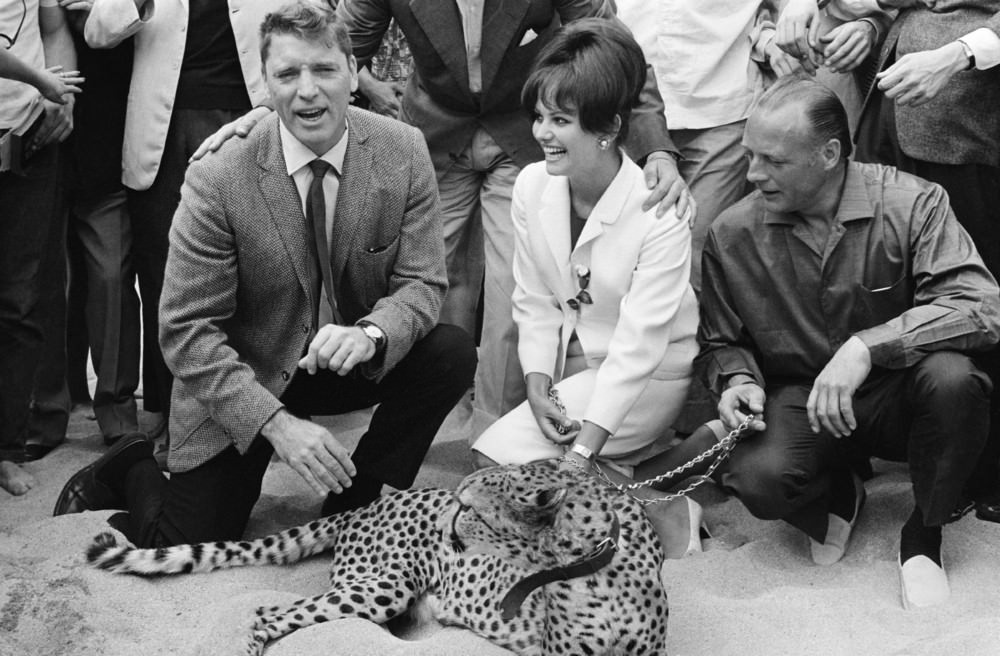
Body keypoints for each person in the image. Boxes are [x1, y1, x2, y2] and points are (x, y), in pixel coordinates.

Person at [52, 0, 477, 547]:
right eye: (287, 74)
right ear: (266, 84)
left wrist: (371, 334)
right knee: (185, 539)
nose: (307, 90)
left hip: (341, 360)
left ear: (353, 71)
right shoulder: (218, 175)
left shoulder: (403, 149)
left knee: (449, 352)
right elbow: (185, 332)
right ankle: (128, 464)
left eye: (323, 69)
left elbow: (423, 283)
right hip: (246, 374)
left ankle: (354, 498)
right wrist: (275, 425)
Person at [696, 76, 1000, 609]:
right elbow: (721, 341)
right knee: (759, 480)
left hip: (898, 395)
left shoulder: (915, 202)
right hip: (801, 400)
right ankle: (840, 488)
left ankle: (923, 538)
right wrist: (736, 379)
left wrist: (867, 347)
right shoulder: (731, 232)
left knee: (955, 380)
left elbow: (982, 306)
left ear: (830, 154)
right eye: (749, 155)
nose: (752, 173)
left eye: (773, 160)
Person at [470, 19, 712, 559]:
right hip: (572, 368)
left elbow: (638, 350)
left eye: (560, 120)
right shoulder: (533, 185)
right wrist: (535, 380)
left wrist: (581, 454)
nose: (541, 134)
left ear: (607, 128)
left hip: (647, 377)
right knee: (506, 471)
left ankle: (654, 502)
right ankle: (655, 489)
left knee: (500, 465)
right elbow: (533, 300)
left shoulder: (662, 213)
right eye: (538, 117)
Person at [81, 0, 290, 441]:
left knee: (260, 275)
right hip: (163, 132)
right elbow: (98, 31)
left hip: (253, 120)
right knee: (166, 277)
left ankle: (255, 410)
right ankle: (174, 410)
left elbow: (308, 25)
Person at [850, 0, 1000, 525]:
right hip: (886, 119)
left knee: (974, 299)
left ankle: (985, 471)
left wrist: (958, 54)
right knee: (897, 291)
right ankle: (923, 452)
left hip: (966, 134)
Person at [0, 0, 78, 496]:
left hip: (27, 138)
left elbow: (53, 27)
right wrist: (44, 83)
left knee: (19, 303)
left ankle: (6, 450)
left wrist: (60, 97)